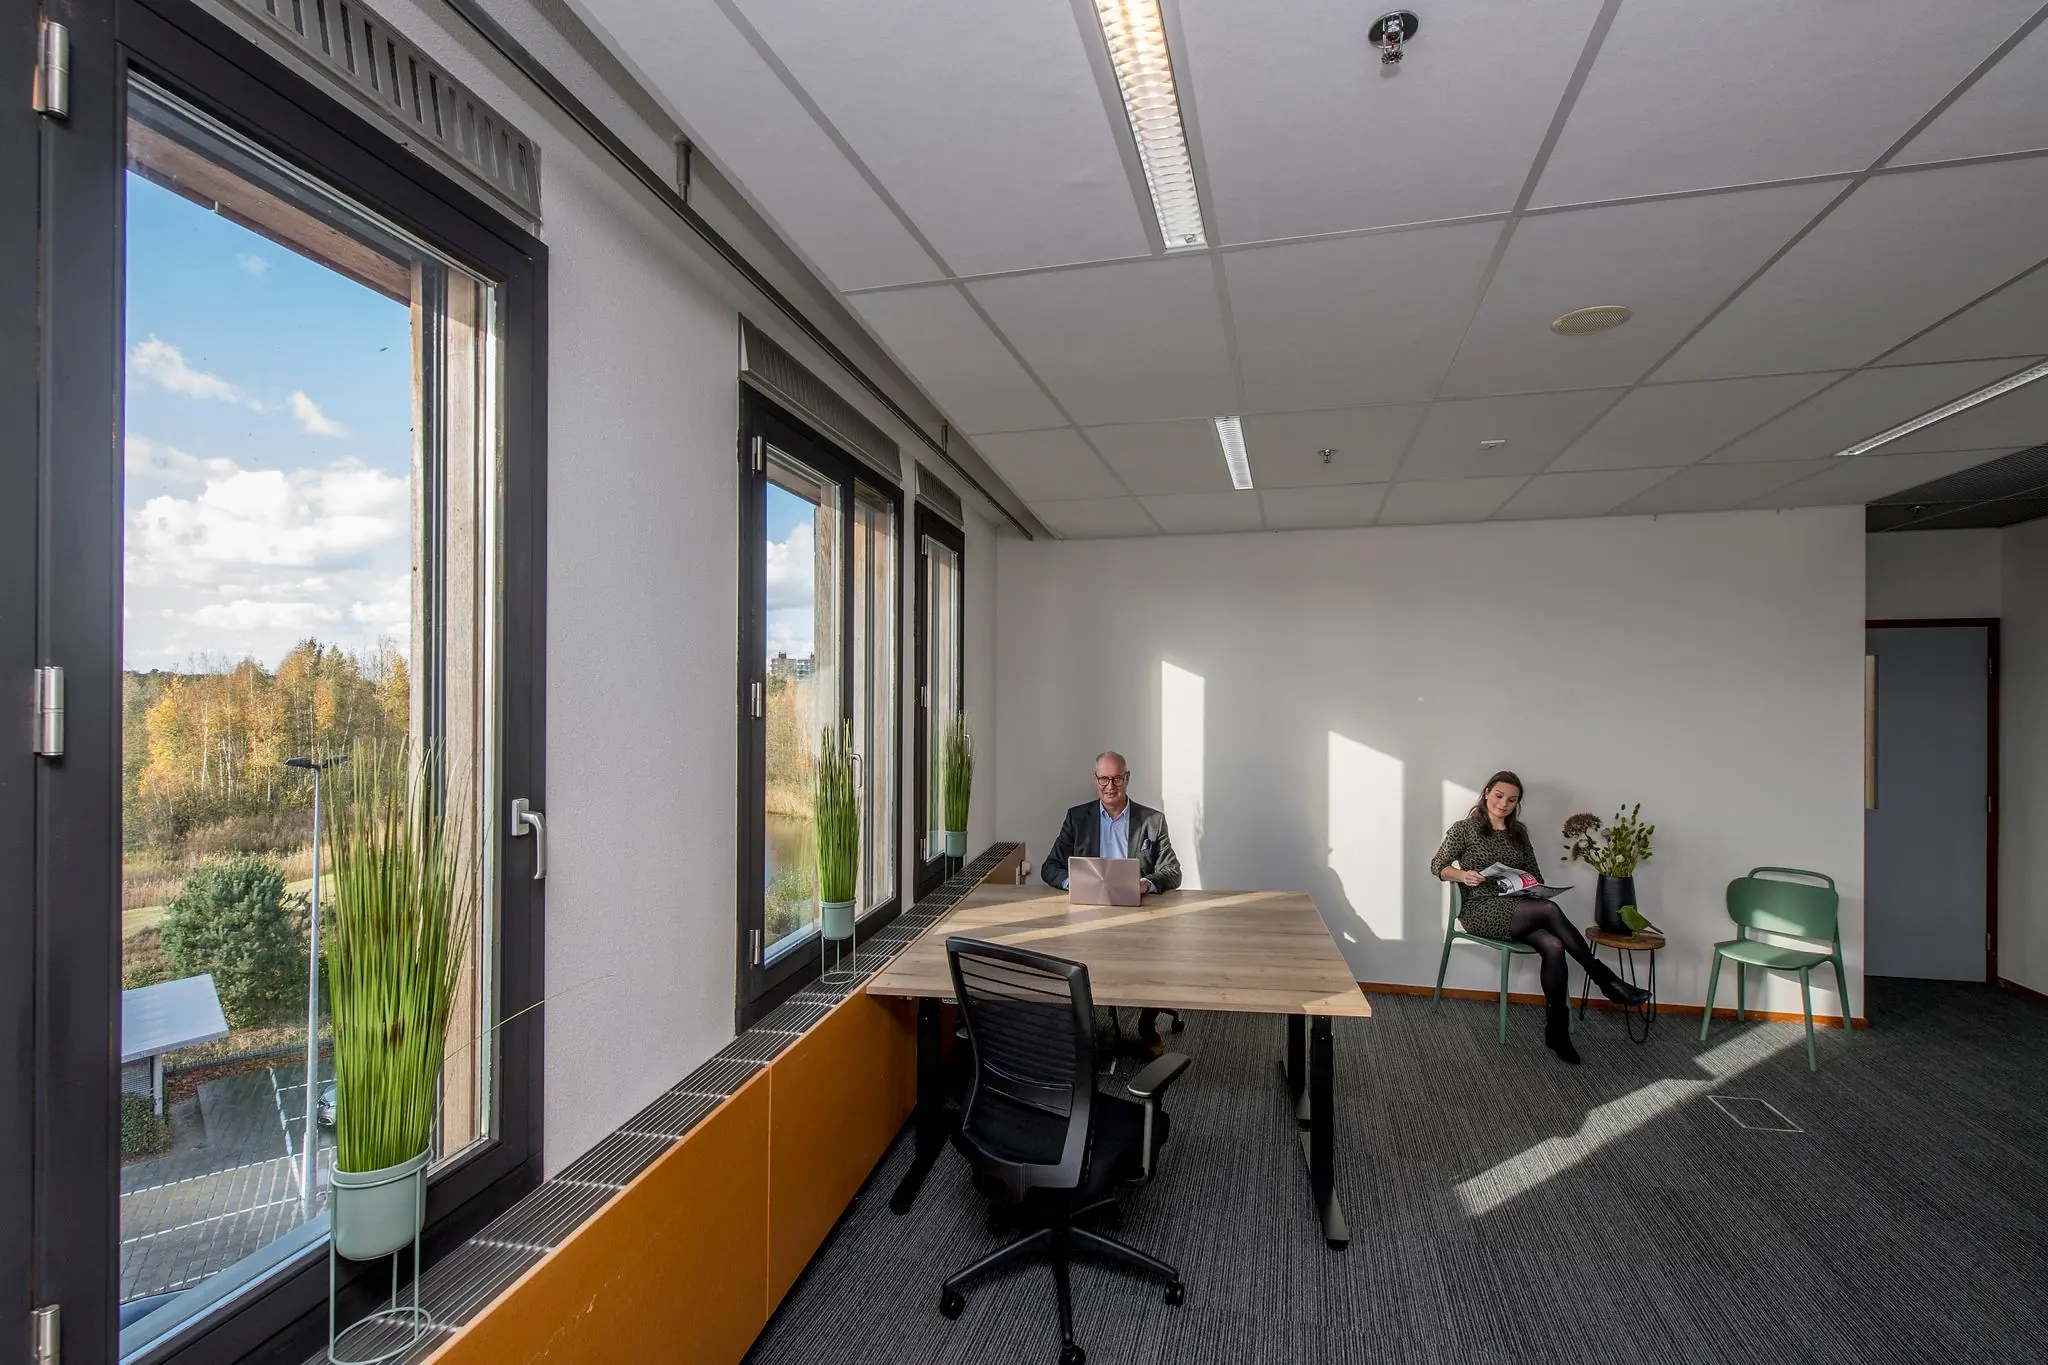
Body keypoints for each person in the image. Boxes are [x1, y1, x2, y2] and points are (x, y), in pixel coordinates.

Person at [1430, 770, 1648, 1065]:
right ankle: (1603, 978)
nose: (1504, 804)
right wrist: (1463, 875)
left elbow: (1535, 874)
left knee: (1555, 946)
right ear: (1486, 793)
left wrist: (1527, 883)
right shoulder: (1465, 829)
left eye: (1512, 800)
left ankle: (1557, 1032)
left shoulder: (1519, 833)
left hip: (1519, 908)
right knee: (1549, 912)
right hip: (1480, 909)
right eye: (1499, 796)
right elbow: (1437, 866)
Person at [1042, 750, 1182, 1055]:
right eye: (1104, 778)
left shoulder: (1152, 821)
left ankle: (1147, 1024)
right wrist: (1073, 883)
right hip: (1087, 913)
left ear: (1127, 778)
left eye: (1117, 778)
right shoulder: (1077, 818)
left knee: (1152, 954)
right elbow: (1049, 866)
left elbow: (1173, 871)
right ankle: (1082, 1026)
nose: (1110, 785)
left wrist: (1146, 883)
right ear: (1095, 780)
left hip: (1137, 912)